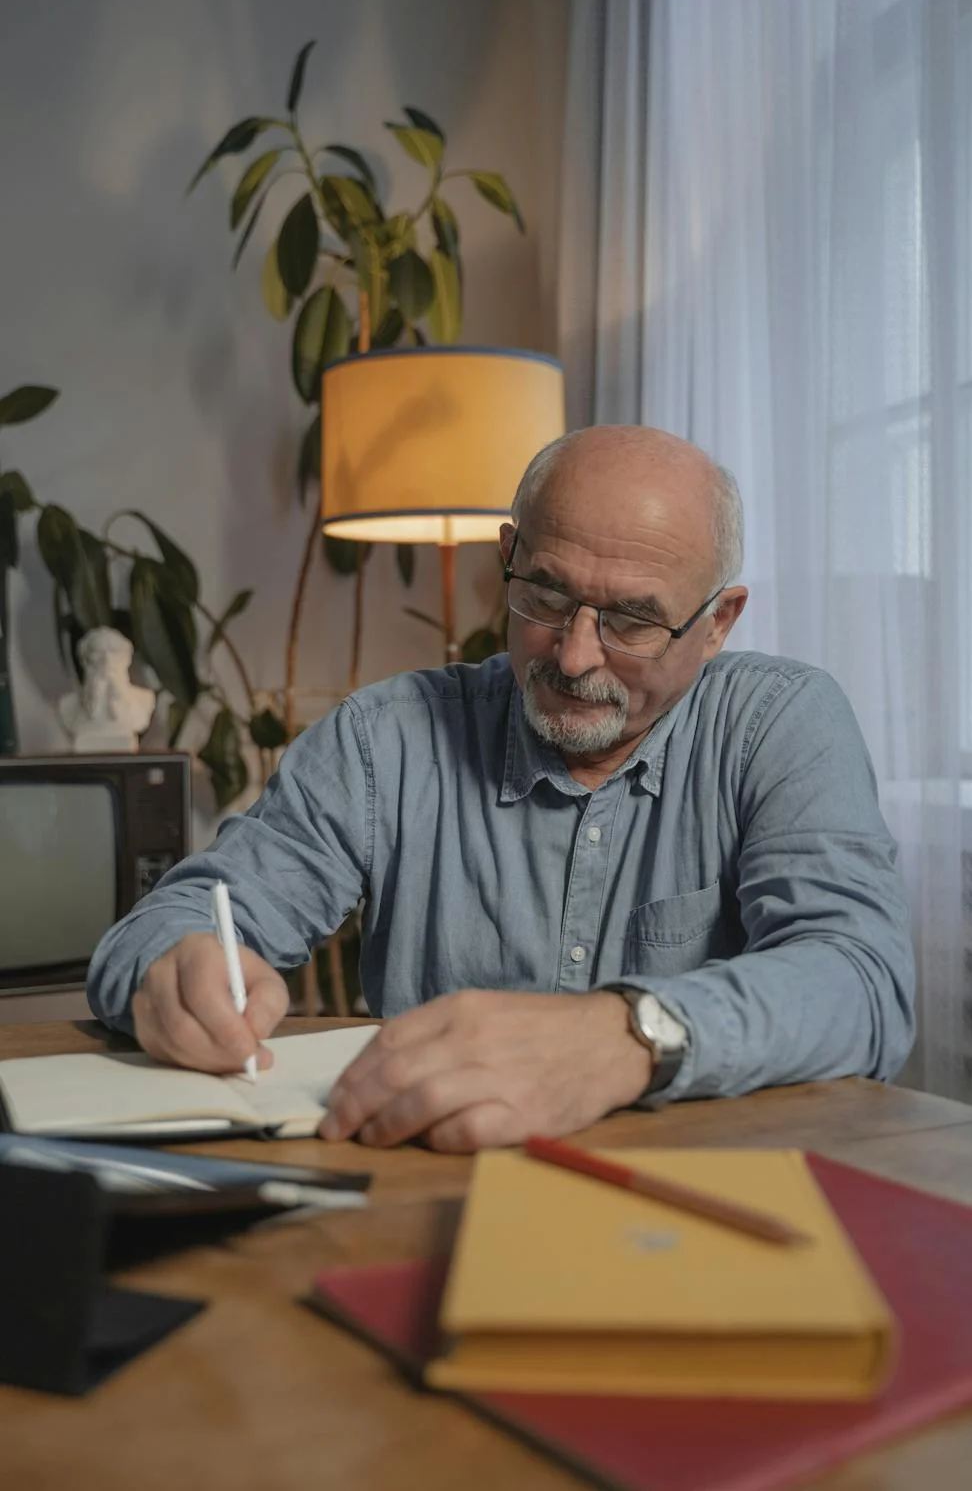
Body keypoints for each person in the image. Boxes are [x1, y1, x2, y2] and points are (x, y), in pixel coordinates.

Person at [87, 425, 915, 1152]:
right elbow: (175, 922)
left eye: (630, 621)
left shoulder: (781, 724)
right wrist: (174, 968)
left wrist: (628, 1034)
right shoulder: (387, 738)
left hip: (704, 1194)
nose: (575, 656)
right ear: (506, 558)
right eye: (546, 597)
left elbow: (863, 983)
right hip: (423, 1187)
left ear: (718, 622)